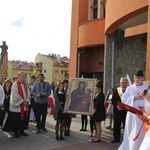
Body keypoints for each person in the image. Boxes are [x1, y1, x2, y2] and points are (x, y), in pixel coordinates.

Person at [118, 69, 148, 150]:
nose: (137, 80)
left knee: (140, 135)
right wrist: (134, 97)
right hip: (131, 116)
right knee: (130, 134)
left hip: (141, 116)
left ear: (142, 78)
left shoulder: (147, 89)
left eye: (138, 78)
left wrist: (145, 107)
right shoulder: (130, 89)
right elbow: (123, 100)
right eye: (135, 78)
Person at [3, 72, 30, 138]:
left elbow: (28, 93)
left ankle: (21, 130)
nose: (23, 77)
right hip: (17, 106)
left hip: (24, 105)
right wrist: (22, 101)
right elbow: (15, 94)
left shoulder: (25, 84)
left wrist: (26, 100)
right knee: (16, 120)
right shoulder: (15, 84)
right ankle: (16, 131)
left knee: (22, 120)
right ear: (19, 77)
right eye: (22, 76)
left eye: (24, 76)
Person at [111, 78, 128, 143]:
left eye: (124, 83)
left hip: (125, 111)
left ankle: (125, 139)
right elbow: (113, 100)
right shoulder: (116, 90)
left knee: (126, 125)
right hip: (117, 111)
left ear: (126, 83)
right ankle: (116, 138)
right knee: (116, 125)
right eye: (121, 82)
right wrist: (117, 106)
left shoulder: (128, 90)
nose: (122, 84)